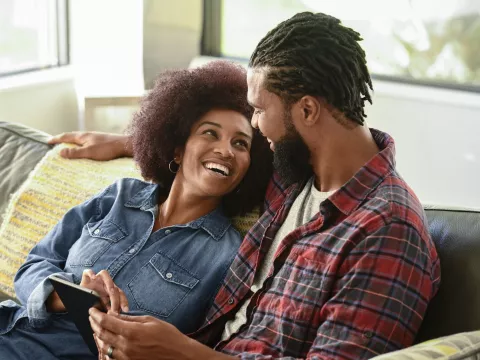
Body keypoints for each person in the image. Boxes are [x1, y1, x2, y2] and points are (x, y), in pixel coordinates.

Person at [51, 12, 441, 360]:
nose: (253, 126)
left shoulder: (389, 230)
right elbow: (212, 156)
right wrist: (126, 142)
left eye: (258, 110)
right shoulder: (297, 173)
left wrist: (181, 353)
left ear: (306, 110)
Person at [0, 60, 273, 360]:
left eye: (240, 144)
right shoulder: (119, 196)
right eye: (210, 133)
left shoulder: (230, 256)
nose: (225, 150)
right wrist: (70, 294)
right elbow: (33, 264)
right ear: (177, 149)